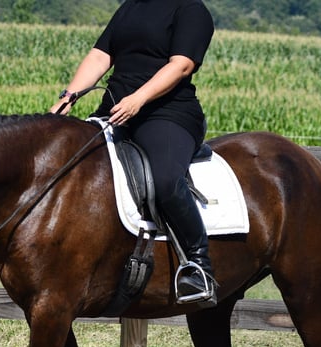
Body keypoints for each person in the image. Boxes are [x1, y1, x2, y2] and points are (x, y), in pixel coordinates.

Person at [50, 0, 217, 306]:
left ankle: (198, 265)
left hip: (166, 114)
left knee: (166, 180)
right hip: (115, 108)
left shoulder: (191, 10)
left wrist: (138, 99)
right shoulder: (131, 6)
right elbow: (101, 55)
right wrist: (69, 97)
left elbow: (181, 65)